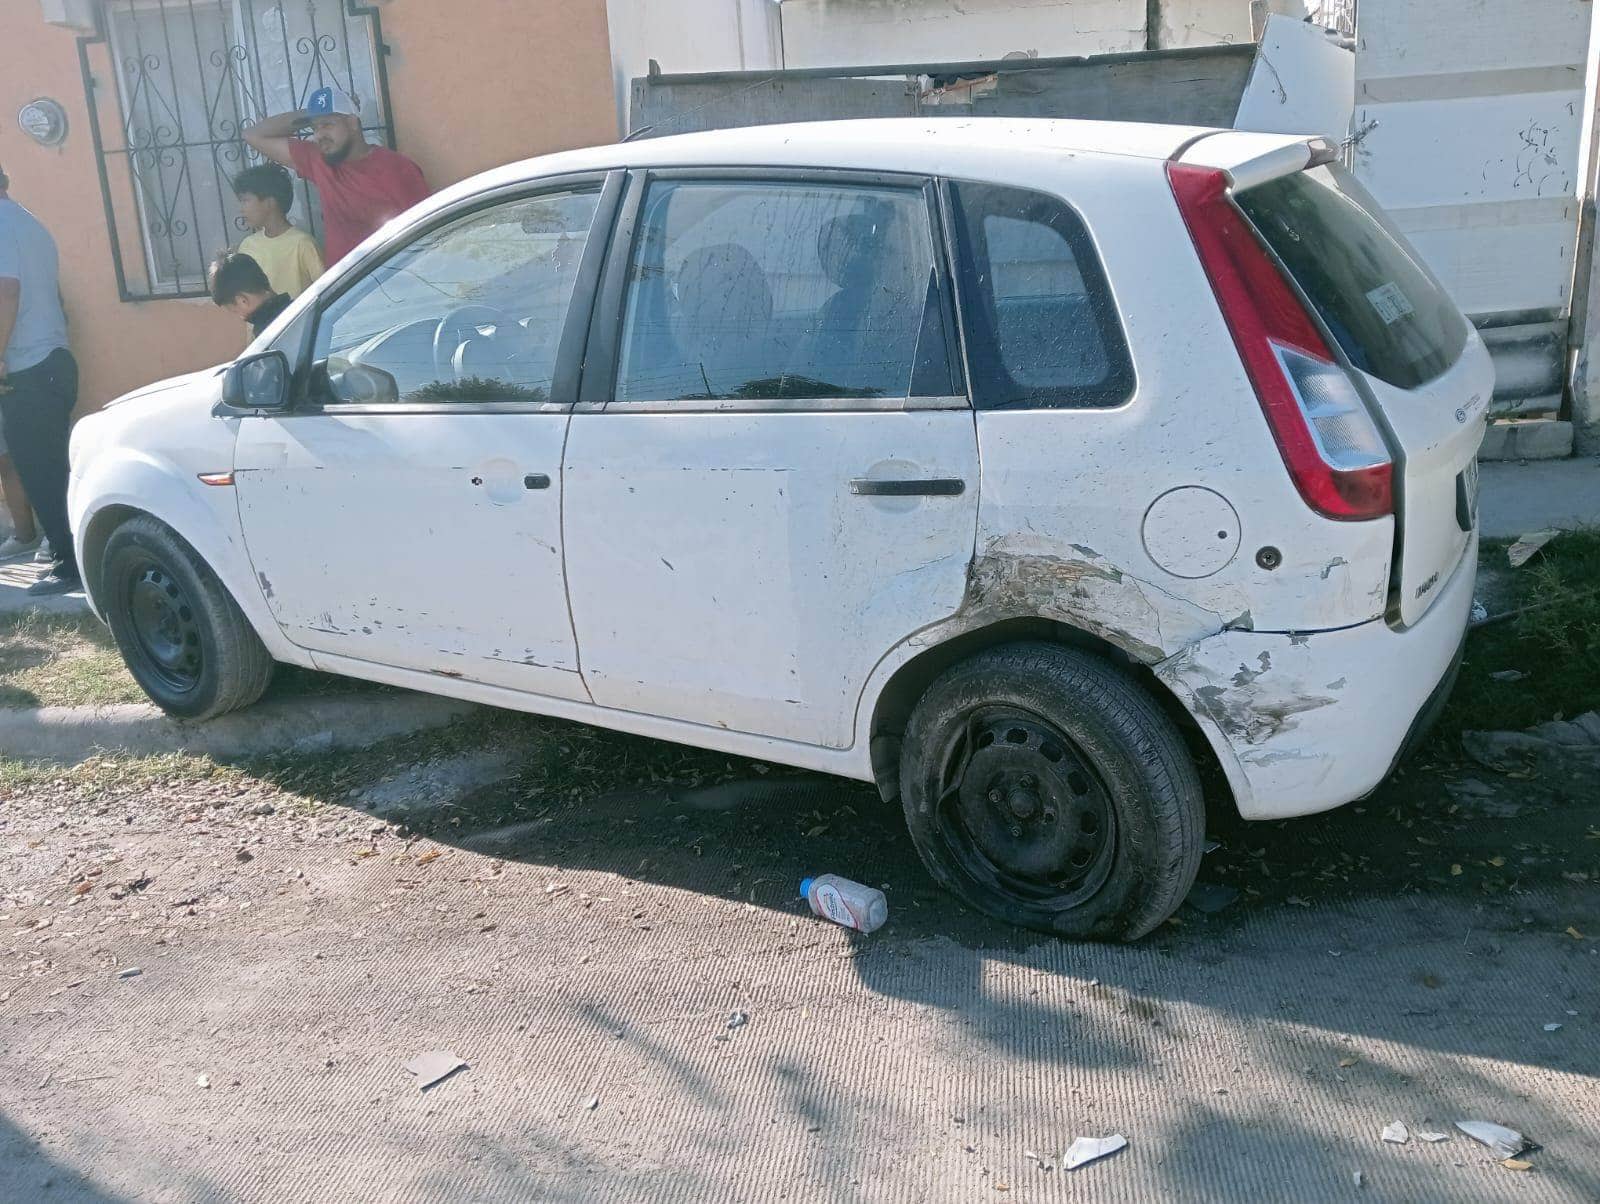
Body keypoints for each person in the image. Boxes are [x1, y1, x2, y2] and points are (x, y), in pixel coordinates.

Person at [0, 162, 78, 596]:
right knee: (53, 468)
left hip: (29, 368)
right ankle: (71, 555)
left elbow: (6, 290)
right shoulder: (29, 222)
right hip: (53, 360)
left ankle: (69, 565)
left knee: (42, 472)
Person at [244, 85, 428, 266]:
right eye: (315, 128)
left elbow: (426, 235)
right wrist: (307, 112)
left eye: (327, 124)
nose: (319, 135)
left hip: (391, 285)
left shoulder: (397, 169)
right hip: (346, 290)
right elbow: (253, 135)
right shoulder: (319, 160)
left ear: (353, 123)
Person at [233, 162, 323, 299]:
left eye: (246, 200)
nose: (241, 208)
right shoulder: (247, 245)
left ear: (270, 202)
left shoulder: (303, 244)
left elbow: (325, 289)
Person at [208, 251, 291, 337]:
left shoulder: (266, 333)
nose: (241, 317)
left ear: (242, 301)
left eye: (235, 311)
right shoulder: (300, 309)